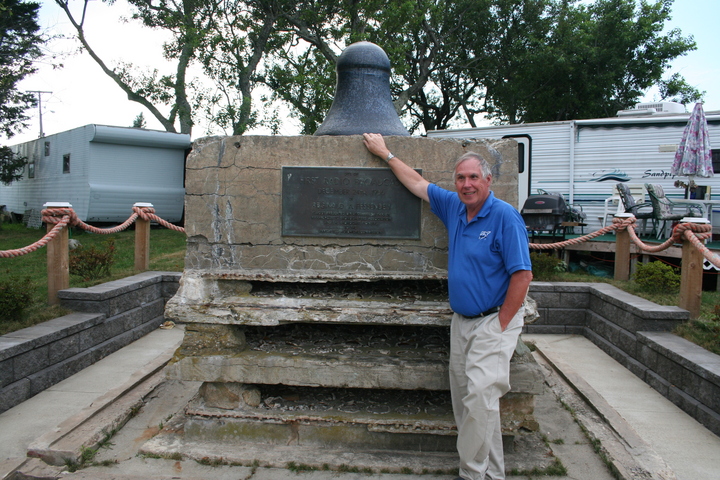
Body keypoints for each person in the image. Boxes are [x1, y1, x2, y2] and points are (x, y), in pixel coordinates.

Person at [362, 133, 533, 480]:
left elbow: (523, 276)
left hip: (493, 322)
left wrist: (500, 324)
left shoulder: (505, 217)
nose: (467, 184)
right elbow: (418, 183)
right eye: (460, 178)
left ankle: (471, 474)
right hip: (462, 322)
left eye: (473, 177)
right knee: (472, 406)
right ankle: (493, 474)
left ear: (488, 180)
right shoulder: (455, 206)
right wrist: (385, 153)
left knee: (479, 401)